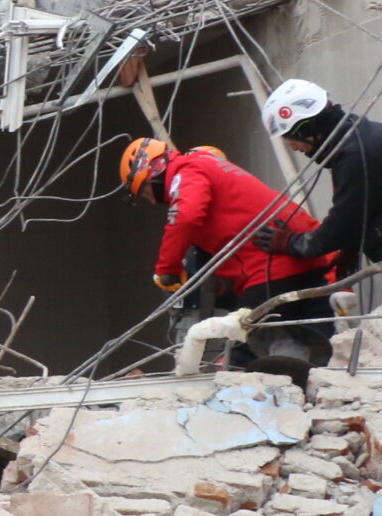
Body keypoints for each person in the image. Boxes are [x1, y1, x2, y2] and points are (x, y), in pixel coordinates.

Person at [121, 137, 334, 365]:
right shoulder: (212, 167)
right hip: (305, 262)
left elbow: (186, 216)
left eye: (144, 192)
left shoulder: (188, 169)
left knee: (248, 355)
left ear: (152, 171)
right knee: (325, 348)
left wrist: (167, 269)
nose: (152, 201)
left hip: (269, 268)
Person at [254, 80, 382, 274]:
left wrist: (290, 242)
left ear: (305, 129)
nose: (295, 148)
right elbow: (364, 206)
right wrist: (351, 246)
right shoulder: (361, 136)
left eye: (291, 140)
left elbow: (342, 226)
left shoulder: (354, 155)